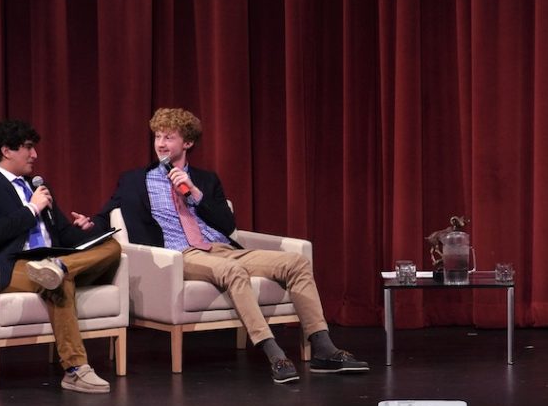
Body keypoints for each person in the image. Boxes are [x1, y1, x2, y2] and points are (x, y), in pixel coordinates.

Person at [78, 108, 369, 384]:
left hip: (220, 248)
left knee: (296, 262)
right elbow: (107, 215)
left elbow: (227, 224)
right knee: (231, 271)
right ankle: (273, 353)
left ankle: (323, 348)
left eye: (169, 137)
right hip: (179, 255)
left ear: (188, 142)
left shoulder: (206, 179)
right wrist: (90, 225)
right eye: (157, 136)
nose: (161, 144)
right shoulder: (134, 181)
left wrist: (194, 193)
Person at [0, 119, 123, 393]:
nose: (35, 155)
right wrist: (31, 209)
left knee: (113, 246)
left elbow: (62, 234)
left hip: (53, 258)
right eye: (28, 148)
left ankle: (60, 266)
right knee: (57, 283)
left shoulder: (37, 184)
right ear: (6, 151)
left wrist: (86, 229)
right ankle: (76, 370)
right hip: (13, 263)